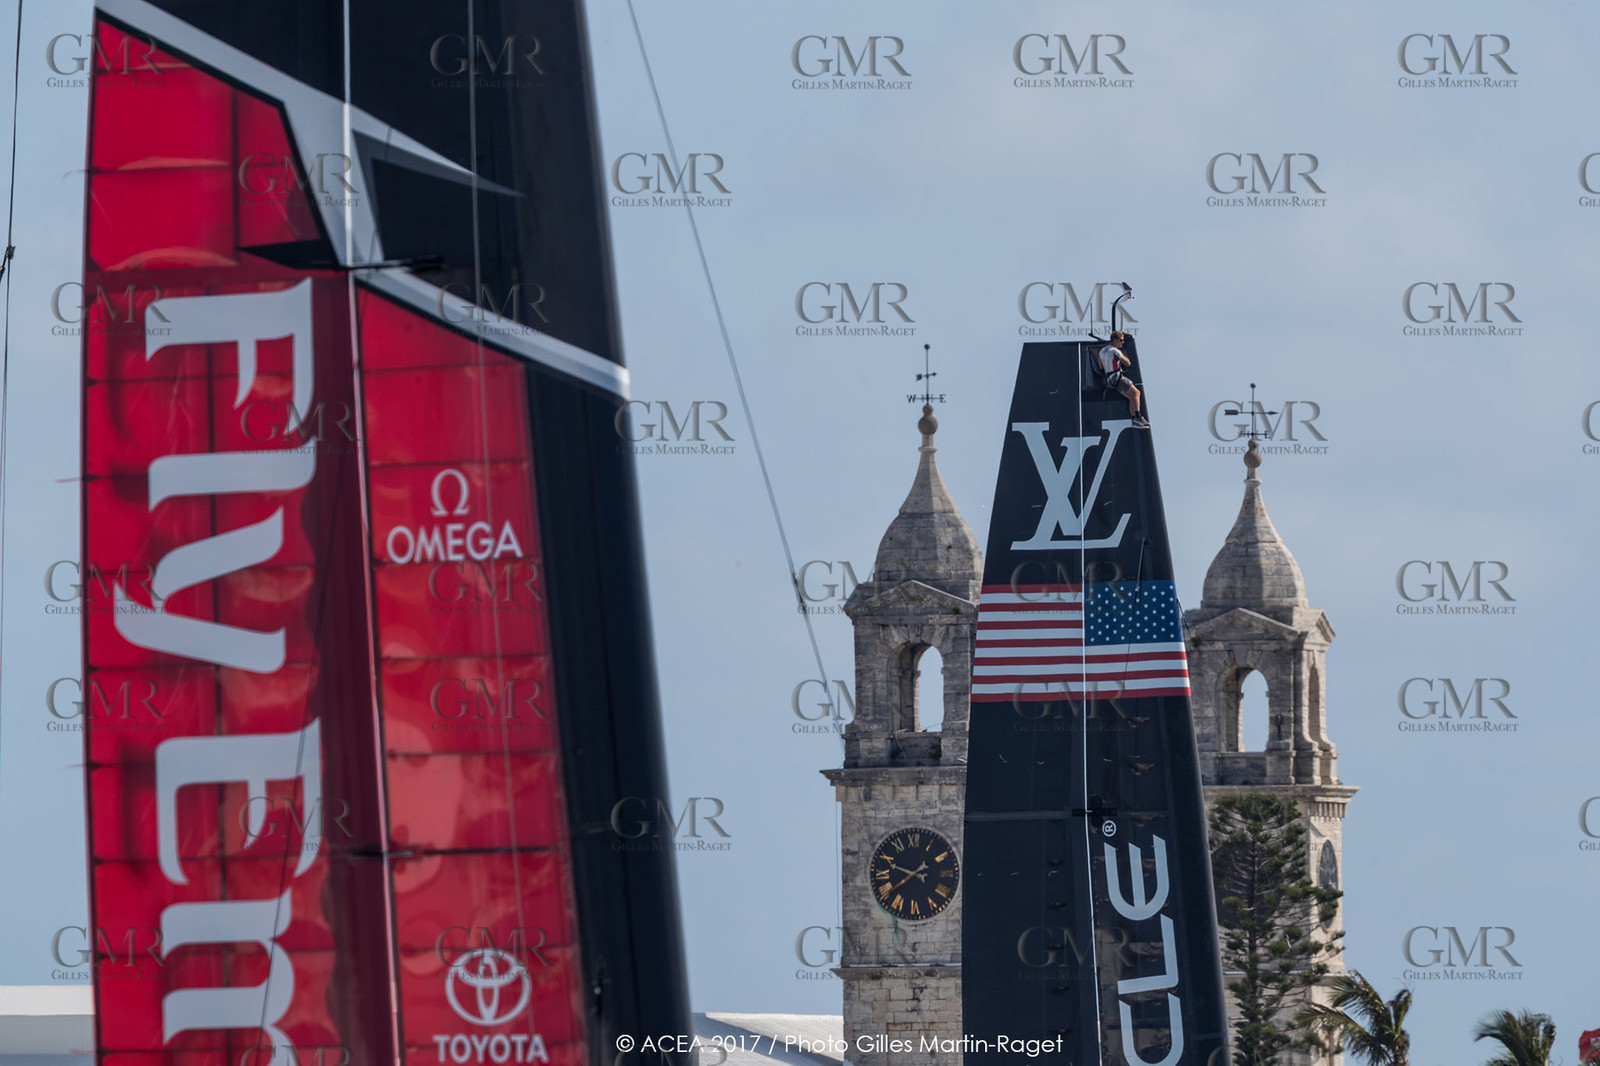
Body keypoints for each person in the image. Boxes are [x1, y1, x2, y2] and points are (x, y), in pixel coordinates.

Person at [1097, 331, 1149, 428]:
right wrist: (1122, 355)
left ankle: (1134, 420)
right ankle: (1138, 417)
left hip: (1110, 380)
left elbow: (1100, 366)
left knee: (1131, 397)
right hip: (1117, 377)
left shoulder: (1101, 351)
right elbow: (1128, 363)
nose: (1122, 342)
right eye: (1121, 340)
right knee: (1136, 393)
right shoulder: (1115, 351)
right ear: (1114, 340)